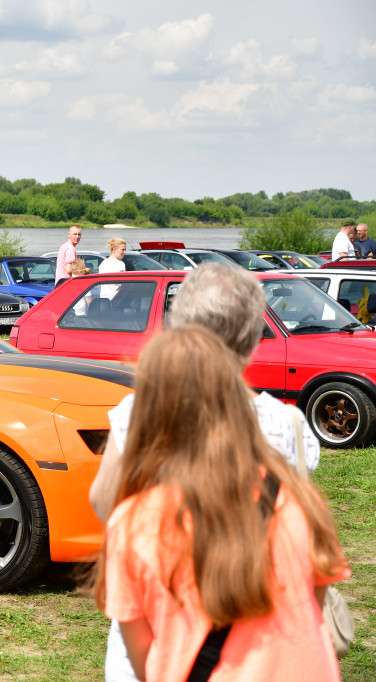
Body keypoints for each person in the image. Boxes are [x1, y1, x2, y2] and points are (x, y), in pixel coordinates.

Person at [89, 262, 321, 682]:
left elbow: (105, 503)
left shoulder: (140, 413)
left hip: (157, 623)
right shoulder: (289, 425)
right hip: (264, 629)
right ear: (252, 340)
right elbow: (301, 535)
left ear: (178, 329)